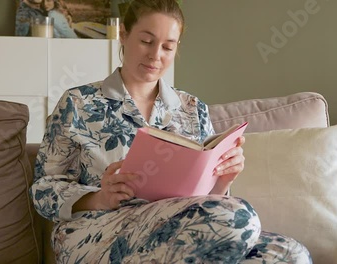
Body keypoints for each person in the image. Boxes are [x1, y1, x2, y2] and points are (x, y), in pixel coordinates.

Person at [30, 0, 312, 263]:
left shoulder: (192, 108)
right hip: (99, 228)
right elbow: (44, 190)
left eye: (167, 46)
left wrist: (224, 179)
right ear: (124, 35)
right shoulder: (78, 102)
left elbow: (210, 201)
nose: (155, 55)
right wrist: (100, 198)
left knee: (289, 254)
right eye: (146, 41)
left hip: (185, 227)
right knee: (240, 217)